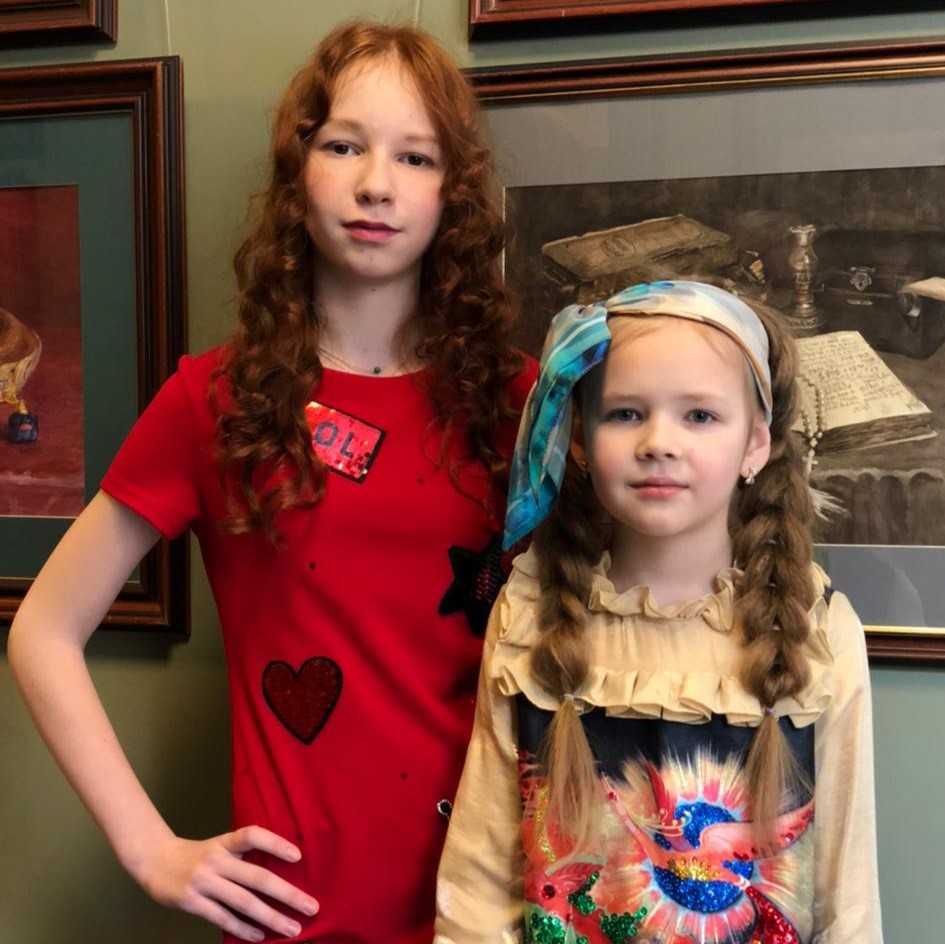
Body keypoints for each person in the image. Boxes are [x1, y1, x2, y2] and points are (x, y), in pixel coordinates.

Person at [9, 20, 536, 944]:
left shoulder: (522, 400)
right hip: (299, 912)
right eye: (344, 145)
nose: (376, 183)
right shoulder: (214, 400)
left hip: (508, 898)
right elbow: (43, 631)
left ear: (452, 191)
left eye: (415, 156)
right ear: (297, 171)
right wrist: (148, 848)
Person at [435, 280, 883, 944]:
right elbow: (477, 881)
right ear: (579, 440)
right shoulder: (529, 610)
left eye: (699, 415)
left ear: (754, 444)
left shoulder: (817, 627)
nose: (658, 442)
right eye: (624, 413)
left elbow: (847, 899)